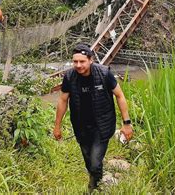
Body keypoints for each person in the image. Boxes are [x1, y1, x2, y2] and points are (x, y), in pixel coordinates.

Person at [53, 44, 134, 192]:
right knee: (89, 161)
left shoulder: (104, 74)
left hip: (102, 125)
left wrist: (126, 123)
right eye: (75, 61)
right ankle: (95, 177)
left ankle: (94, 187)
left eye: (82, 61)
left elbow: (120, 96)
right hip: (80, 126)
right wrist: (57, 126)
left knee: (95, 163)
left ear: (90, 60)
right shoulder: (70, 77)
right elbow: (63, 100)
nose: (78, 65)